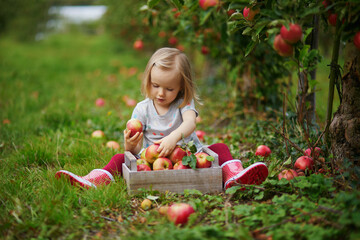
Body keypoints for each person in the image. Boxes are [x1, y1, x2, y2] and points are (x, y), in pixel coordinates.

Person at [55, 47, 268, 189]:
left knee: (219, 148)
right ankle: (94, 180)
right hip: (153, 160)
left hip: (189, 158)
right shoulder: (142, 109)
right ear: (148, 80)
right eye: (155, 85)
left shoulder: (183, 103)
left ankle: (233, 176)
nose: (161, 93)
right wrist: (129, 146)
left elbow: (190, 123)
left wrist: (173, 137)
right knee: (120, 159)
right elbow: (134, 153)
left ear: (182, 88)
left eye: (169, 88)